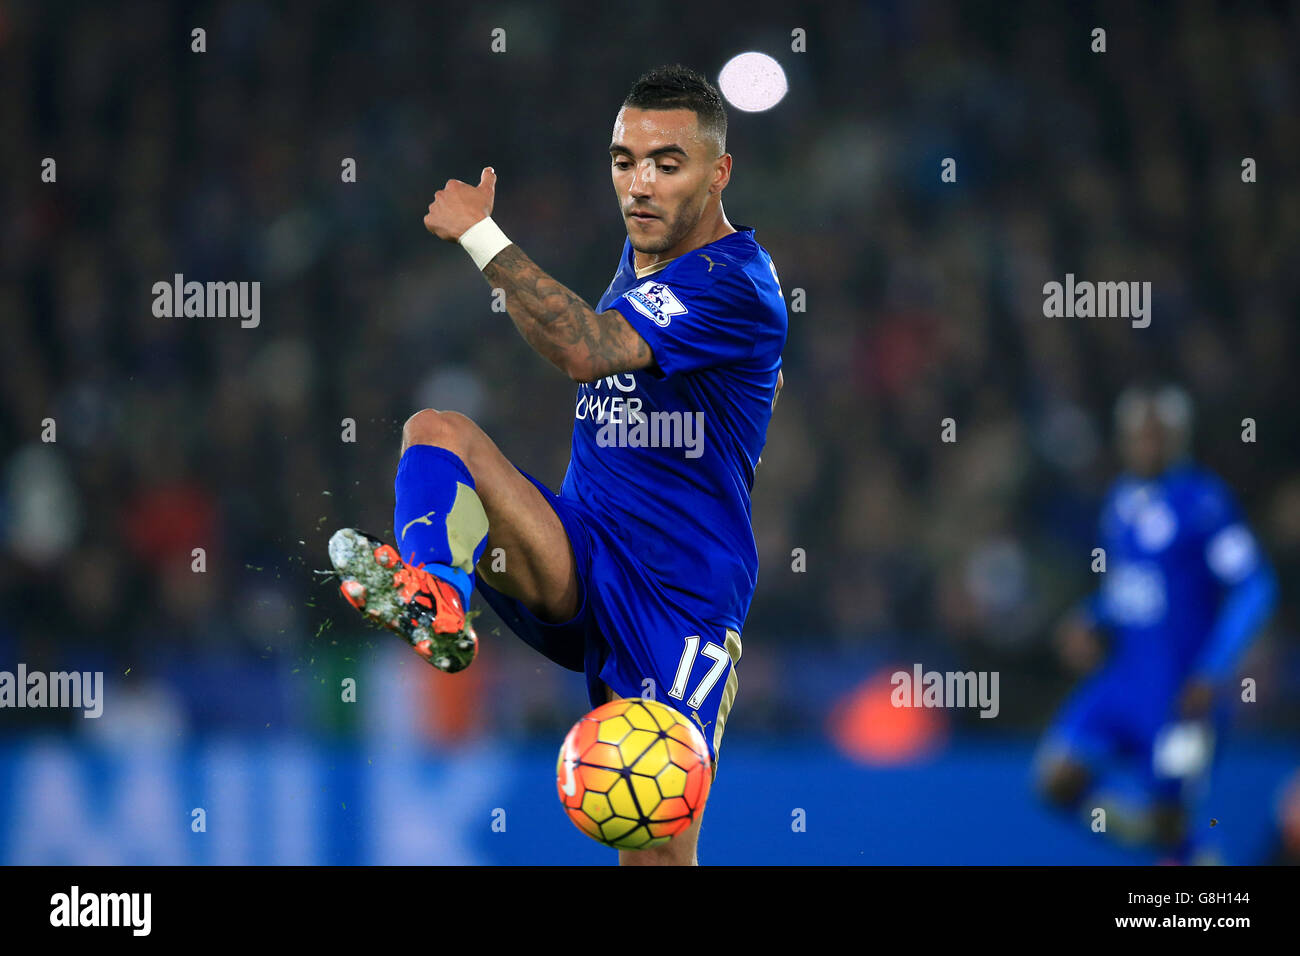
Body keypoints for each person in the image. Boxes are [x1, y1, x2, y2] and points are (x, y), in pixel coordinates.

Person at [328, 64, 786, 865]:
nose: (639, 184)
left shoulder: (734, 284)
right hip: (581, 550)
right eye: (623, 160)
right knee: (438, 431)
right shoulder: (648, 248)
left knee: (652, 849)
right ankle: (437, 591)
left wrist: (480, 233)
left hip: (678, 603)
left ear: (719, 175)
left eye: (666, 164)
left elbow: (585, 349)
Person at [1035, 384, 1277, 862]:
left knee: (1172, 824)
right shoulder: (1122, 502)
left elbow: (1254, 586)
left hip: (1185, 698)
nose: (1147, 445)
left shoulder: (1203, 503)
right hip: (1125, 684)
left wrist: (1213, 668)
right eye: (1138, 435)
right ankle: (1155, 837)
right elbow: (1131, 591)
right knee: (1056, 778)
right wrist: (1090, 618)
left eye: (1157, 435)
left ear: (1177, 438)